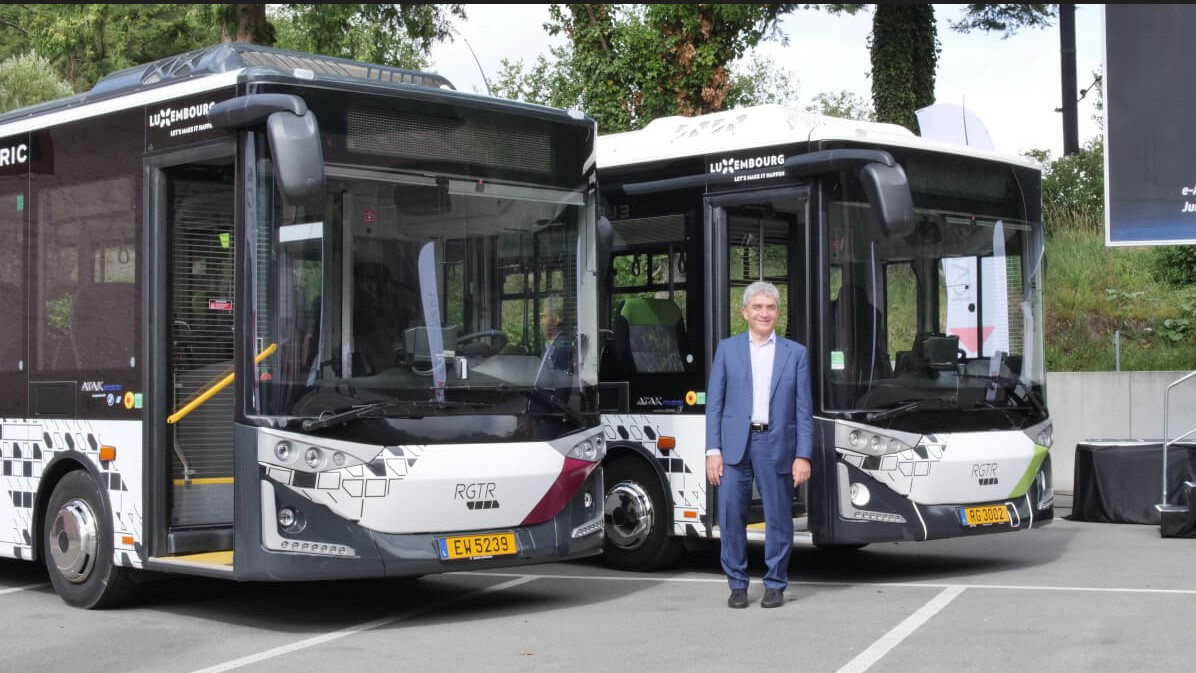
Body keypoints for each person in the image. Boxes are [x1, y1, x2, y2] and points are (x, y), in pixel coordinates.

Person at [705, 280, 813, 609]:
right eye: (757, 308)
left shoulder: (796, 354)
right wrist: (713, 450)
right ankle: (737, 584)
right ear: (745, 313)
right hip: (735, 445)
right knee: (731, 515)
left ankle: (775, 583)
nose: (764, 313)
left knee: (779, 517)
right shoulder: (727, 349)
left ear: (777, 313)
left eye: (770, 308)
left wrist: (803, 456)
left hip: (775, 443)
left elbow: (803, 410)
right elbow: (715, 405)